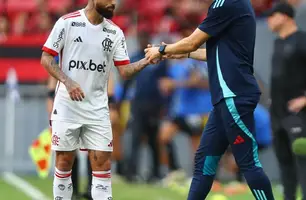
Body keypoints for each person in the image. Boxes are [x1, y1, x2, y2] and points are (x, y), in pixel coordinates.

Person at [145, 0, 275, 199]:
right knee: (204, 161)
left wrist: (163, 50)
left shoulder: (226, 3)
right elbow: (213, 53)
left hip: (234, 95)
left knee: (248, 163)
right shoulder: (236, 4)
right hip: (225, 98)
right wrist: (174, 52)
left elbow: (192, 41)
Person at [40, 0, 151, 199]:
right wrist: (67, 81)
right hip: (67, 107)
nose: (113, 4)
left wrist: (146, 61)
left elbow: (124, 71)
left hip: (98, 110)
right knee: (64, 162)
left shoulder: (115, 32)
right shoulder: (67, 23)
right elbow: (46, 59)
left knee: (102, 165)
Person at [266, 2, 306, 199]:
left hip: (298, 114)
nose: (269, 20)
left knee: (303, 159)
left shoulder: (302, 40)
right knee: (284, 161)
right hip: (278, 114)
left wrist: (304, 100)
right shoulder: (278, 42)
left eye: (272, 16)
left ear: (285, 16)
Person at [119, 31, 168, 183]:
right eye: (141, 37)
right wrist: (120, 102)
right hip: (138, 104)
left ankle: (155, 173)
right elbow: (126, 82)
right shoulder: (134, 58)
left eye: (145, 37)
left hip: (154, 104)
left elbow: (164, 82)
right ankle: (131, 173)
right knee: (135, 139)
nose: (143, 40)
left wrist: (164, 106)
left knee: (154, 141)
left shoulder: (158, 59)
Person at [159, 58, 212, 181]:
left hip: (196, 111)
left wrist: (175, 83)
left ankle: (198, 176)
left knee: (196, 146)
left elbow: (199, 82)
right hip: (179, 111)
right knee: (164, 136)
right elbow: (170, 85)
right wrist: (166, 87)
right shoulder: (174, 66)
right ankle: (175, 171)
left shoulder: (199, 62)